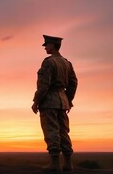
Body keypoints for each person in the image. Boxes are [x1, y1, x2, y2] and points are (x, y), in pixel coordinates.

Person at [32, 35, 78, 172]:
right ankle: (68, 163)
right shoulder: (67, 63)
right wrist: (68, 100)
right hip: (62, 101)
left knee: (51, 131)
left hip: (49, 101)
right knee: (64, 131)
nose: (45, 47)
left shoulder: (48, 62)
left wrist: (36, 101)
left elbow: (44, 85)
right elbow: (73, 83)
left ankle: (55, 163)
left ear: (52, 45)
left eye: (47, 45)